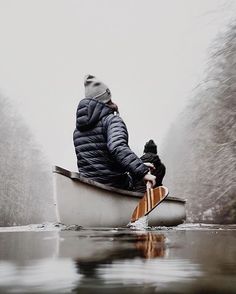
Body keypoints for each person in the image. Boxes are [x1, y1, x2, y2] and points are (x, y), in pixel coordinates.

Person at [73, 75, 156, 190]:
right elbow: (117, 147)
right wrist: (142, 172)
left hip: (89, 186)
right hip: (114, 186)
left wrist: (138, 165)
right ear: (106, 98)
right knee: (142, 180)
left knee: (138, 171)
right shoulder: (112, 120)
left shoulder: (77, 131)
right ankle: (141, 206)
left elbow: (101, 162)